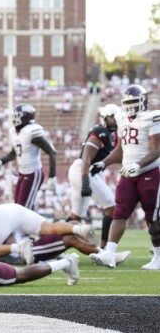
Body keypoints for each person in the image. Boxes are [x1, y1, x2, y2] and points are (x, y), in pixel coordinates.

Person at [89, 84, 160, 270]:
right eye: (128, 103)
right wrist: (103, 163)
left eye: (135, 102)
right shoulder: (121, 118)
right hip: (128, 174)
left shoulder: (152, 117)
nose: (131, 106)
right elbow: (120, 149)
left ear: (144, 102)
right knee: (119, 212)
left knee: (152, 217)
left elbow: (156, 150)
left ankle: (159, 257)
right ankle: (110, 255)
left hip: (149, 173)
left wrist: (138, 165)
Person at [0, 203, 97, 265]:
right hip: (12, 209)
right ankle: (79, 229)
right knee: (50, 228)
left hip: (0, 217)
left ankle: (19, 248)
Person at [67, 104, 121, 248]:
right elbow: (86, 159)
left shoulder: (113, 135)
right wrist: (85, 182)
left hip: (91, 170)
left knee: (75, 216)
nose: (115, 122)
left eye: (117, 118)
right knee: (111, 207)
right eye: (112, 119)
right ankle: (103, 248)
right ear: (104, 118)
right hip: (84, 170)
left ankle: (50, 241)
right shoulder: (100, 132)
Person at [0, 104, 57, 211]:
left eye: (18, 116)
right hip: (22, 173)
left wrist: (52, 176)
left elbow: (51, 152)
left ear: (26, 117)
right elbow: (15, 152)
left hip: (33, 173)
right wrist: (2, 161)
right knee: (18, 205)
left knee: (22, 209)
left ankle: (34, 227)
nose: (15, 118)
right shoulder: (14, 132)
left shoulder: (31, 131)